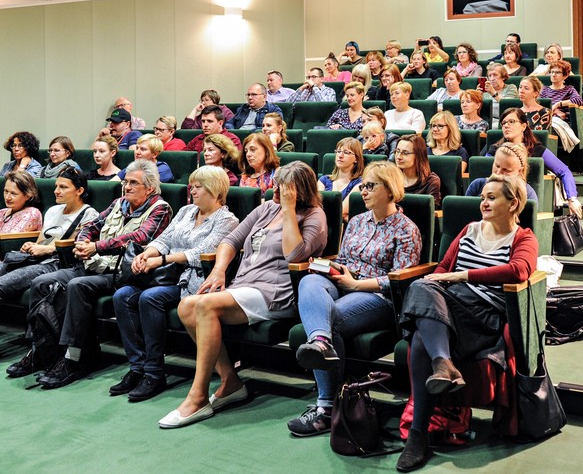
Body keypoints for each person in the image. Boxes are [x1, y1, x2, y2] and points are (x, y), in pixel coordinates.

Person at [158, 161, 327, 429]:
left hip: (276, 291)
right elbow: (230, 241)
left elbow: (295, 255)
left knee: (202, 307)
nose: (274, 188)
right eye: (276, 183)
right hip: (244, 284)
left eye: (282, 186)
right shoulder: (265, 209)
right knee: (186, 307)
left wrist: (289, 209)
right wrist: (219, 271)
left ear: (297, 190)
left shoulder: (314, 216)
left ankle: (199, 396)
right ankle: (230, 381)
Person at [396, 174, 538, 471]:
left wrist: (463, 276)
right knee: (422, 289)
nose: (483, 202)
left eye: (492, 197)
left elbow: (519, 271)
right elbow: (441, 271)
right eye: (483, 197)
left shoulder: (523, 237)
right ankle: (442, 367)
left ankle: (418, 435)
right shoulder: (469, 229)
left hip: (483, 315)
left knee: (422, 319)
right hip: (450, 307)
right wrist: (447, 279)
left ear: (513, 203)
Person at [288, 161, 421, 437]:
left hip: (379, 297)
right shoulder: (358, 221)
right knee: (311, 280)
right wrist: (336, 269)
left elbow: (400, 279)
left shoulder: (406, 229)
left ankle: (325, 407)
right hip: (347, 284)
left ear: (391, 189)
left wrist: (357, 283)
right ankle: (321, 343)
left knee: (330, 318)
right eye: (363, 186)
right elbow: (346, 260)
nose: (364, 192)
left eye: (371, 186)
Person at [25, 160, 173, 389]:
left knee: (77, 285)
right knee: (41, 283)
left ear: (150, 188)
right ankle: (45, 352)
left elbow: (140, 238)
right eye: (126, 182)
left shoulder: (160, 209)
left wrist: (97, 247)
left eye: (134, 183)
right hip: (93, 264)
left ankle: (72, 359)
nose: (127, 187)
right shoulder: (119, 203)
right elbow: (91, 225)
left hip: (121, 273)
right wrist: (84, 242)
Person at [110, 166, 239, 402]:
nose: (193, 191)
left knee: (150, 298)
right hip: (161, 272)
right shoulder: (186, 211)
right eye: (192, 186)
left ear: (215, 190)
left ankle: (154, 373)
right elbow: (164, 238)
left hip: (190, 278)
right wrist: (146, 254)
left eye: (198, 187)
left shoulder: (227, 220)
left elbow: (203, 251)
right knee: (123, 295)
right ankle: (137, 367)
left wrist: (161, 259)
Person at [0, 168, 98, 337]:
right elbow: (41, 239)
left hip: (55, 263)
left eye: (63, 187)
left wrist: (46, 249)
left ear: (79, 191)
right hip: (33, 258)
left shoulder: (89, 214)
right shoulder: (53, 210)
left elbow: (78, 246)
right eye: (56, 186)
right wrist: (31, 245)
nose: (56, 191)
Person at [486, 108, 582, 218]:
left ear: (523, 126)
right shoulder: (495, 149)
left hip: (525, 200)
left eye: (511, 122)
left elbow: (564, 171)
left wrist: (572, 199)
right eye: (503, 123)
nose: (506, 126)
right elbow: (482, 170)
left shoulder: (536, 150)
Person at [0, 171, 42, 263]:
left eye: (13, 194)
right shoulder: (1, 212)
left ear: (28, 195)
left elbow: (6, 241)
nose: (7, 197)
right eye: (6, 191)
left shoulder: (32, 213)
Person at [466, 142, 538, 201]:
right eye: (497, 166)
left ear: (519, 171)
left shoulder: (528, 194)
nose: (498, 173)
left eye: (506, 170)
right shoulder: (477, 186)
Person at [318, 137, 364, 221]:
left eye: (346, 152)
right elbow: (316, 208)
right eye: (338, 151)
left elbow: (341, 211)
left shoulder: (359, 183)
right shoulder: (323, 180)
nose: (340, 155)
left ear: (356, 159)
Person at [394, 134, 441, 209]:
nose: (398, 157)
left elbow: (431, 210)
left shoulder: (431, 181)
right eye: (397, 151)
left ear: (418, 155)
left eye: (405, 153)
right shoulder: (391, 178)